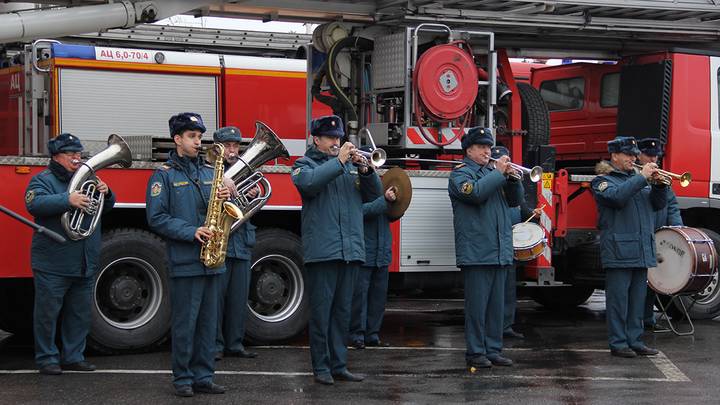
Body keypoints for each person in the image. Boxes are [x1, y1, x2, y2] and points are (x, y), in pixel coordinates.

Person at [291, 115, 382, 385]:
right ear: (316, 139)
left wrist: (366, 171)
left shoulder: (350, 167)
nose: (336, 142)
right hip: (323, 251)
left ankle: (339, 364)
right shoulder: (303, 165)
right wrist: (339, 161)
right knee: (322, 313)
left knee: (343, 312)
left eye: (338, 138)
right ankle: (321, 367)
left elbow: (375, 195)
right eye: (330, 138)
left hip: (350, 250)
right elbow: (308, 185)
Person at [146, 112, 230, 397]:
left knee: (209, 325)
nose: (198, 142)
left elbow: (218, 211)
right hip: (185, 260)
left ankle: (204, 377)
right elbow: (156, 217)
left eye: (199, 136)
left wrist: (224, 197)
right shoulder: (164, 176)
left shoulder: (210, 172)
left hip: (212, 261)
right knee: (185, 324)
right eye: (192, 137)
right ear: (177, 139)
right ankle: (183, 378)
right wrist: (191, 230)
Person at [25, 132, 115, 375]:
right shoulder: (42, 180)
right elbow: (34, 204)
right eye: (71, 154)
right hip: (53, 260)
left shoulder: (88, 178)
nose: (78, 158)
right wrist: (68, 199)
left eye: (79, 154)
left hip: (84, 259)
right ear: (56, 156)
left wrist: (107, 194)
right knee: (47, 314)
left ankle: (74, 356)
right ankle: (47, 358)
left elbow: (103, 209)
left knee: (79, 313)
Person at [448, 128, 523, 370]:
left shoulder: (494, 173)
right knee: (477, 308)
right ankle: (476, 352)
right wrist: (500, 174)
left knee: (495, 308)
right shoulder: (460, 175)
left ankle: (493, 349)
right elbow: (476, 194)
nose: (487, 152)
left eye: (488, 147)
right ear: (469, 150)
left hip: (498, 250)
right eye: (481, 147)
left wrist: (512, 179)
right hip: (477, 252)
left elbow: (515, 202)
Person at [591, 136, 667, 358]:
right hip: (619, 251)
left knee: (637, 301)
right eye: (628, 155)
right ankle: (618, 342)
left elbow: (658, 206)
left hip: (641, 249)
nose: (633, 159)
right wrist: (643, 178)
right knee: (618, 301)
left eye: (634, 155)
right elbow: (617, 198)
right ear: (614, 156)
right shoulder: (603, 181)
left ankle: (635, 340)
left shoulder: (639, 180)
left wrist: (660, 187)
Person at [212, 126, 259, 361]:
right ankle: (216, 345)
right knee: (217, 299)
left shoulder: (246, 171)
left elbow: (255, 203)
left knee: (239, 298)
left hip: (242, 242)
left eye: (236, 146)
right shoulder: (210, 171)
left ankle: (235, 343)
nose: (233, 150)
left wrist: (251, 193)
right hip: (220, 241)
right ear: (218, 147)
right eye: (228, 146)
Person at [490, 145, 542, 340]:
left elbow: (523, 210)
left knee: (508, 290)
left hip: (509, 247)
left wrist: (534, 214)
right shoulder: (492, 185)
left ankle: (506, 325)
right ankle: (494, 327)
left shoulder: (513, 187)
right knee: (494, 291)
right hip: (494, 245)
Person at [350, 146, 396, 349]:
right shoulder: (354, 181)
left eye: (370, 160)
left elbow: (390, 213)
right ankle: (356, 334)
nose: (369, 163)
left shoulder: (378, 180)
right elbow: (358, 211)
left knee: (378, 295)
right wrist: (383, 202)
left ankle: (372, 333)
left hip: (381, 247)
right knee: (360, 295)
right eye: (365, 159)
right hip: (365, 246)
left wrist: (396, 204)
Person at [637, 138, 682, 329]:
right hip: (639, 234)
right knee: (638, 282)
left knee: (653, 280)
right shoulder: (633, 175)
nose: (653, 158)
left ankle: (648, 319)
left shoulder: (661, 178)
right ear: (638, 154)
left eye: (656, 155)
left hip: (658, 235)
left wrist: (678, 230)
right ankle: (635, 322)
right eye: (649, 154)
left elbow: (671, 205)